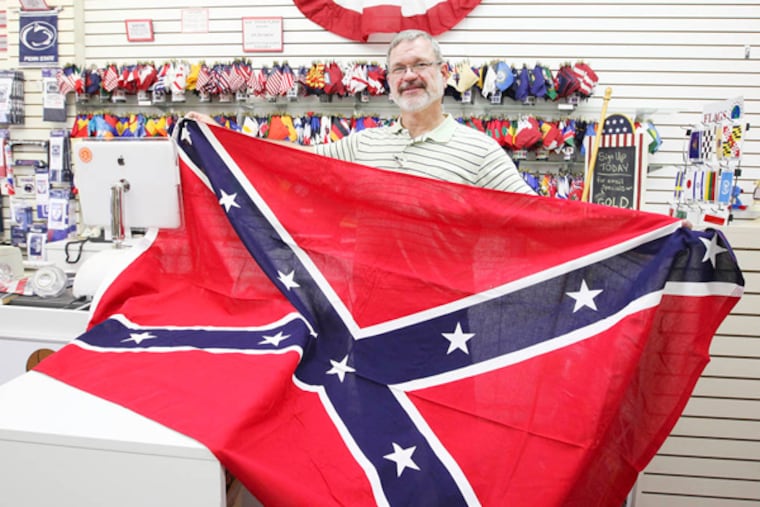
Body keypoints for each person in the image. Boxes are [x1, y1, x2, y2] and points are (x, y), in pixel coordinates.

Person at [188, 29, 536, 195]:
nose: (409, 75)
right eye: (399, 69)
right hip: (367, 297)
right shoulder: (364, 144)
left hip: (443, 313)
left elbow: (538, 217)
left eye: (420, 65)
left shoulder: (481, 152)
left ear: (444, 74)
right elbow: (293, 159)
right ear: (388, 81)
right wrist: (221, 136)